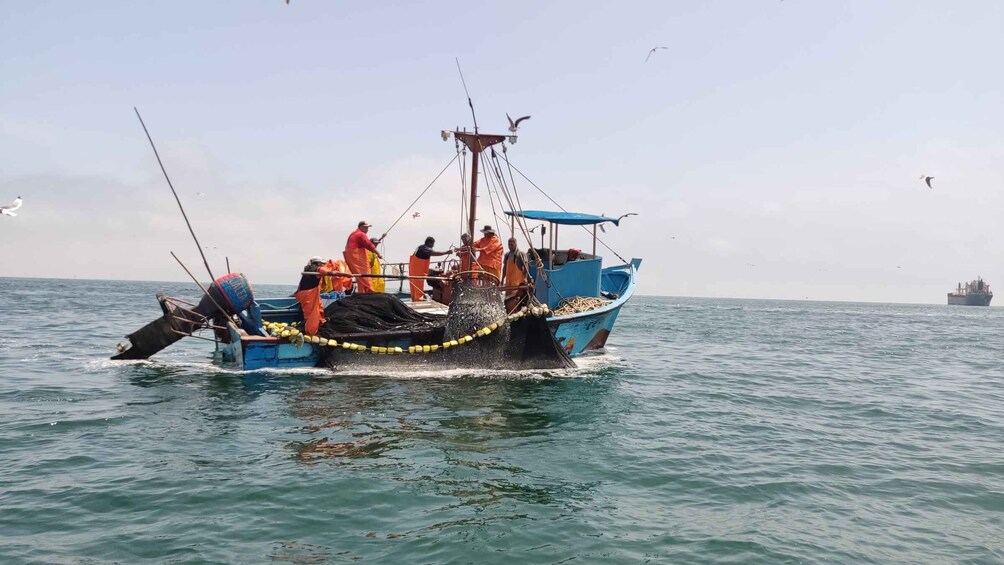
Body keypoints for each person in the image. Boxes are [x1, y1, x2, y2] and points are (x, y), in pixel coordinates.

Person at [344, 220, 386, 294]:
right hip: (355, 254)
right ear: (361, 227)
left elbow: (371, 244)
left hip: (351, 254)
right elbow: (369, 244)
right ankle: (369, 292)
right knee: (365, 275)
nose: (367, 229)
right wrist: (378, 253)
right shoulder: (361, 234)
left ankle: (362, 292)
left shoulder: (354, 234)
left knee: (361, 277)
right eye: (366, 227)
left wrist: (381, 238)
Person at [295, 256, 334, 334]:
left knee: (319, 309)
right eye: (322, 264)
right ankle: (310, 333)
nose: (323, 265)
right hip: (308, 294)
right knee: (312, 314)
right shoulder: (316, 269)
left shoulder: (308, 268)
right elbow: (327, 272)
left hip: (307, 293)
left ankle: (320, 324)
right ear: (318, 263)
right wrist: (344, 274)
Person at [408, 236, 451, 302]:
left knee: (414, 288)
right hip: (417, 271)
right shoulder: (425, 248)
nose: (433, 246)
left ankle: (414, 300)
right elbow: (434, 253)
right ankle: (418, 302)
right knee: (418, 288)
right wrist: (446, 252)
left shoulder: (420, 247)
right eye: (433, 244)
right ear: (430, 243)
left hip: (413, 269)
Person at [501, 237, 530, 312]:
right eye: (509, 244)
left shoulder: (521, 254)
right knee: (507, 301)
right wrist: (502, 279)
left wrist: (525, 278)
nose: (510, 245)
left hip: (517, 284)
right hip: (508, 284)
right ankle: (509, 316)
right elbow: (504, 268)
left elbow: (526, 266)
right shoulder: (507, 255)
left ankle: (516, 316)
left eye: (512, 244)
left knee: (515, 301)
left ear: (515, 244)